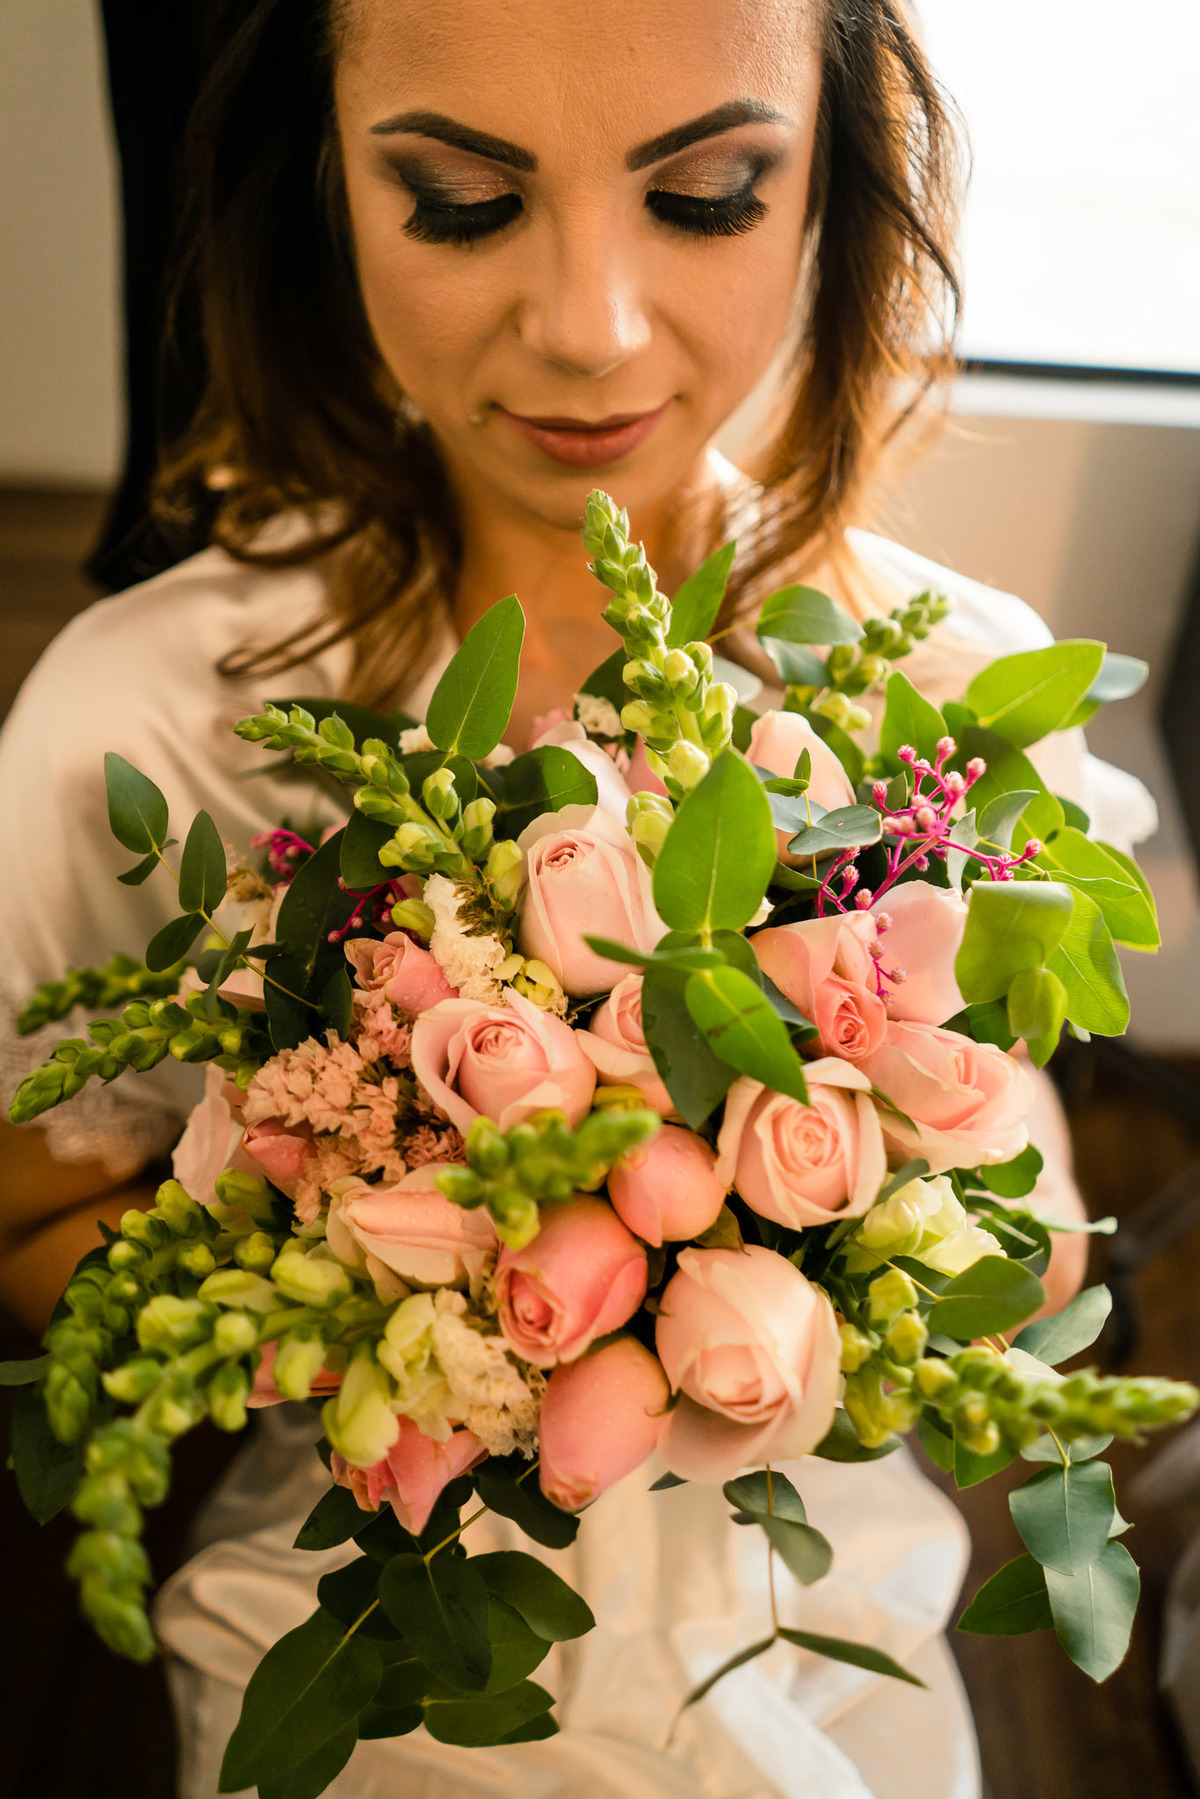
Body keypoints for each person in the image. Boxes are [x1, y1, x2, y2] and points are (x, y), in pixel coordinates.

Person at [0, 1, 1155, 1794]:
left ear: (831, 188)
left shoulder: (965, 690)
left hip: (815, 1623)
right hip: (379, 1633)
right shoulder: (144, 721)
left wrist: (892, 1233)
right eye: (464, 203)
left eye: (705, 197)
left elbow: (1034, 1197)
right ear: (325, 187)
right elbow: (29, 1230)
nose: (590, 327)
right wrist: (393, 1277)